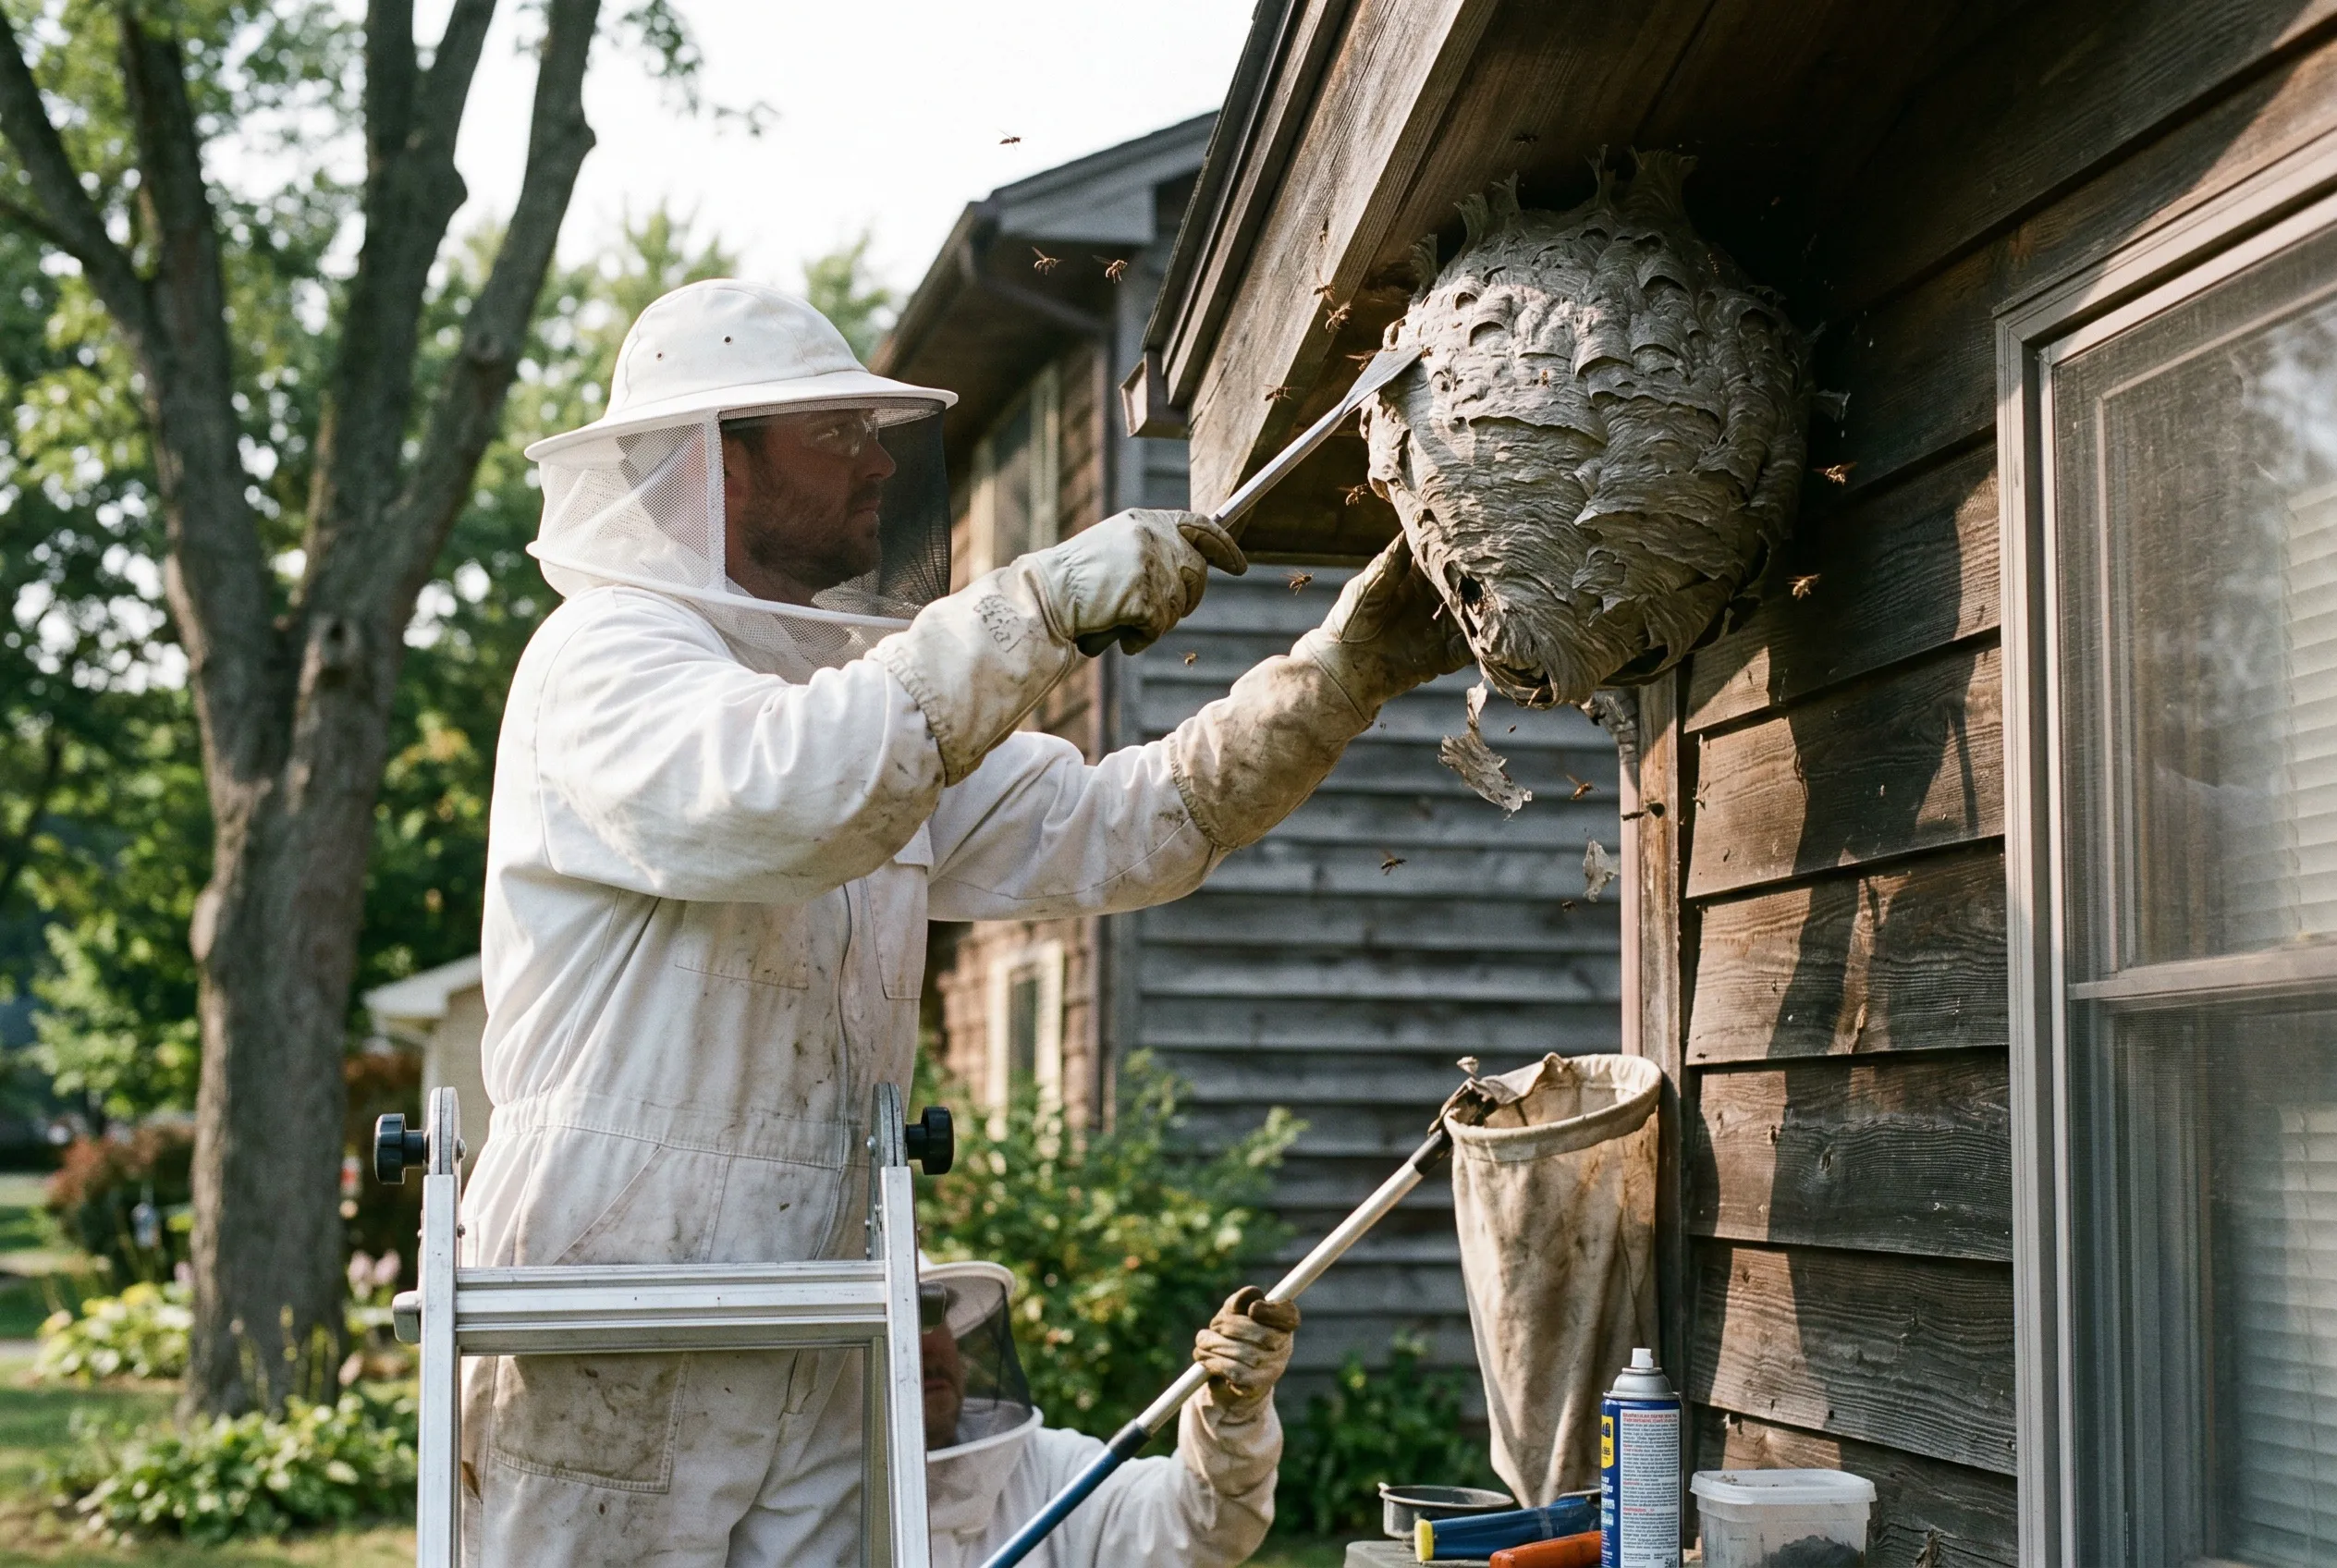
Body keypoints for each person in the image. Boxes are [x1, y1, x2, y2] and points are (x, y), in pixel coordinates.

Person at [459, 278, 1467, 1565]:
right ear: (717, 462)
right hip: (615, 1296)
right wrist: (1034, 607)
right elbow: (793, 794)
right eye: (836, 433)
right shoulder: (604, 658)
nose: (879, 463)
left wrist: (1336, 677)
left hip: (827, 1301)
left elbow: (1124, 824)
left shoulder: (854, 699)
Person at [919, 1262, 1297, 1568]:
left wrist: (1231, 1414)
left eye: (935, 1314)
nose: (930, 1346)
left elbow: (1194, 1527)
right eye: (903, 1322)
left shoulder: (1045, 1470)